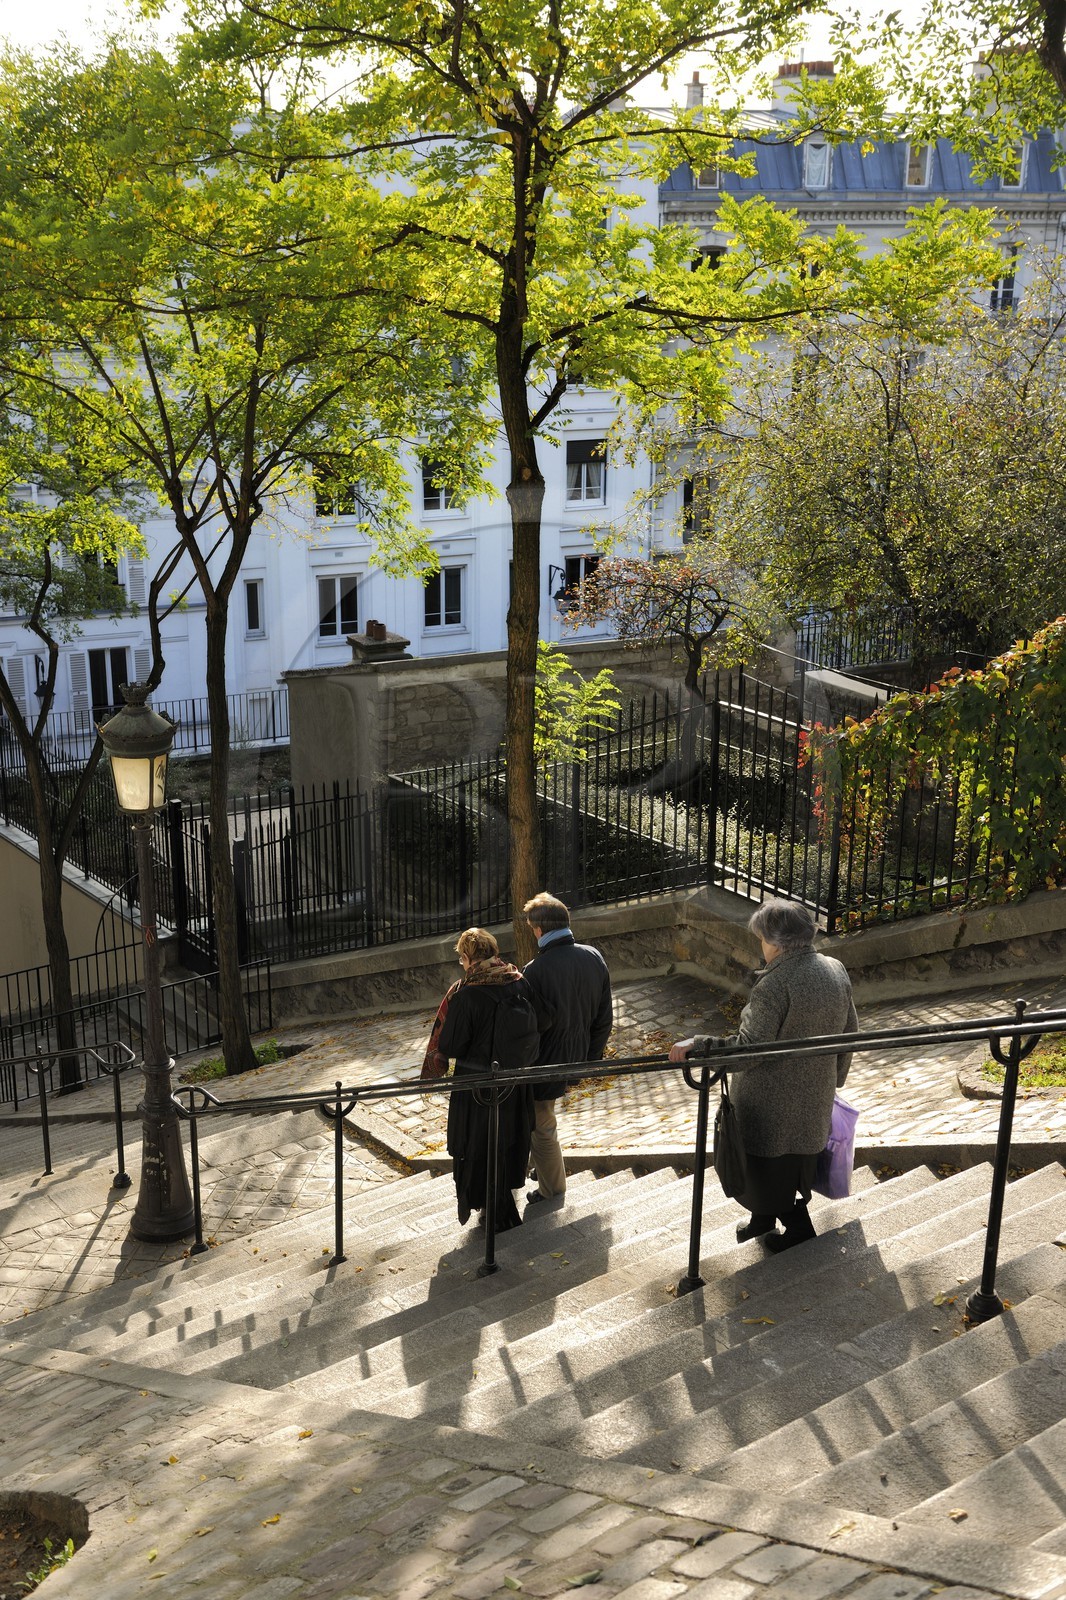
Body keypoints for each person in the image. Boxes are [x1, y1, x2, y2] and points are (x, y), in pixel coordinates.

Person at [669, 899, 857, 1252]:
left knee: (767, 1165)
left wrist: (701, 1043)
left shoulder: (775, 983)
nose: (760, 945)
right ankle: (762, 1220)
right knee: (792, 1162)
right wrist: (834, 1079)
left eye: (761, 939)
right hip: (813, 1093)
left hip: (771, 1099)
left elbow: (750, 1048)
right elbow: (850, 1031)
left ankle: (798, 1228)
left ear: (775, 941)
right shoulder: (834, 968)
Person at [421, 928, 538, 1232]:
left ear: (469, 957)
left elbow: (451, 1045)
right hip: (514, 1082)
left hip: (478, 1087)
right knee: (507, 1139)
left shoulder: (467, 993)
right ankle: (501, 1203)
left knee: (477, 1144)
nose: (461, 963)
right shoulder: (517, 980)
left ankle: (492, 1208)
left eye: (461, 957)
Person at [521, 892, 613, 1204]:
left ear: (538, 929)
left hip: (545, 1062)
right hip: (578, 1054)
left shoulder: (533, 971)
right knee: (544, 1119)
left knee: (542, 1123)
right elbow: (604, 1018)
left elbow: (529, 1030)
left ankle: (552, 1189)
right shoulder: (593, 957)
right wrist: (590, 1058)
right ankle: (542, 1168)